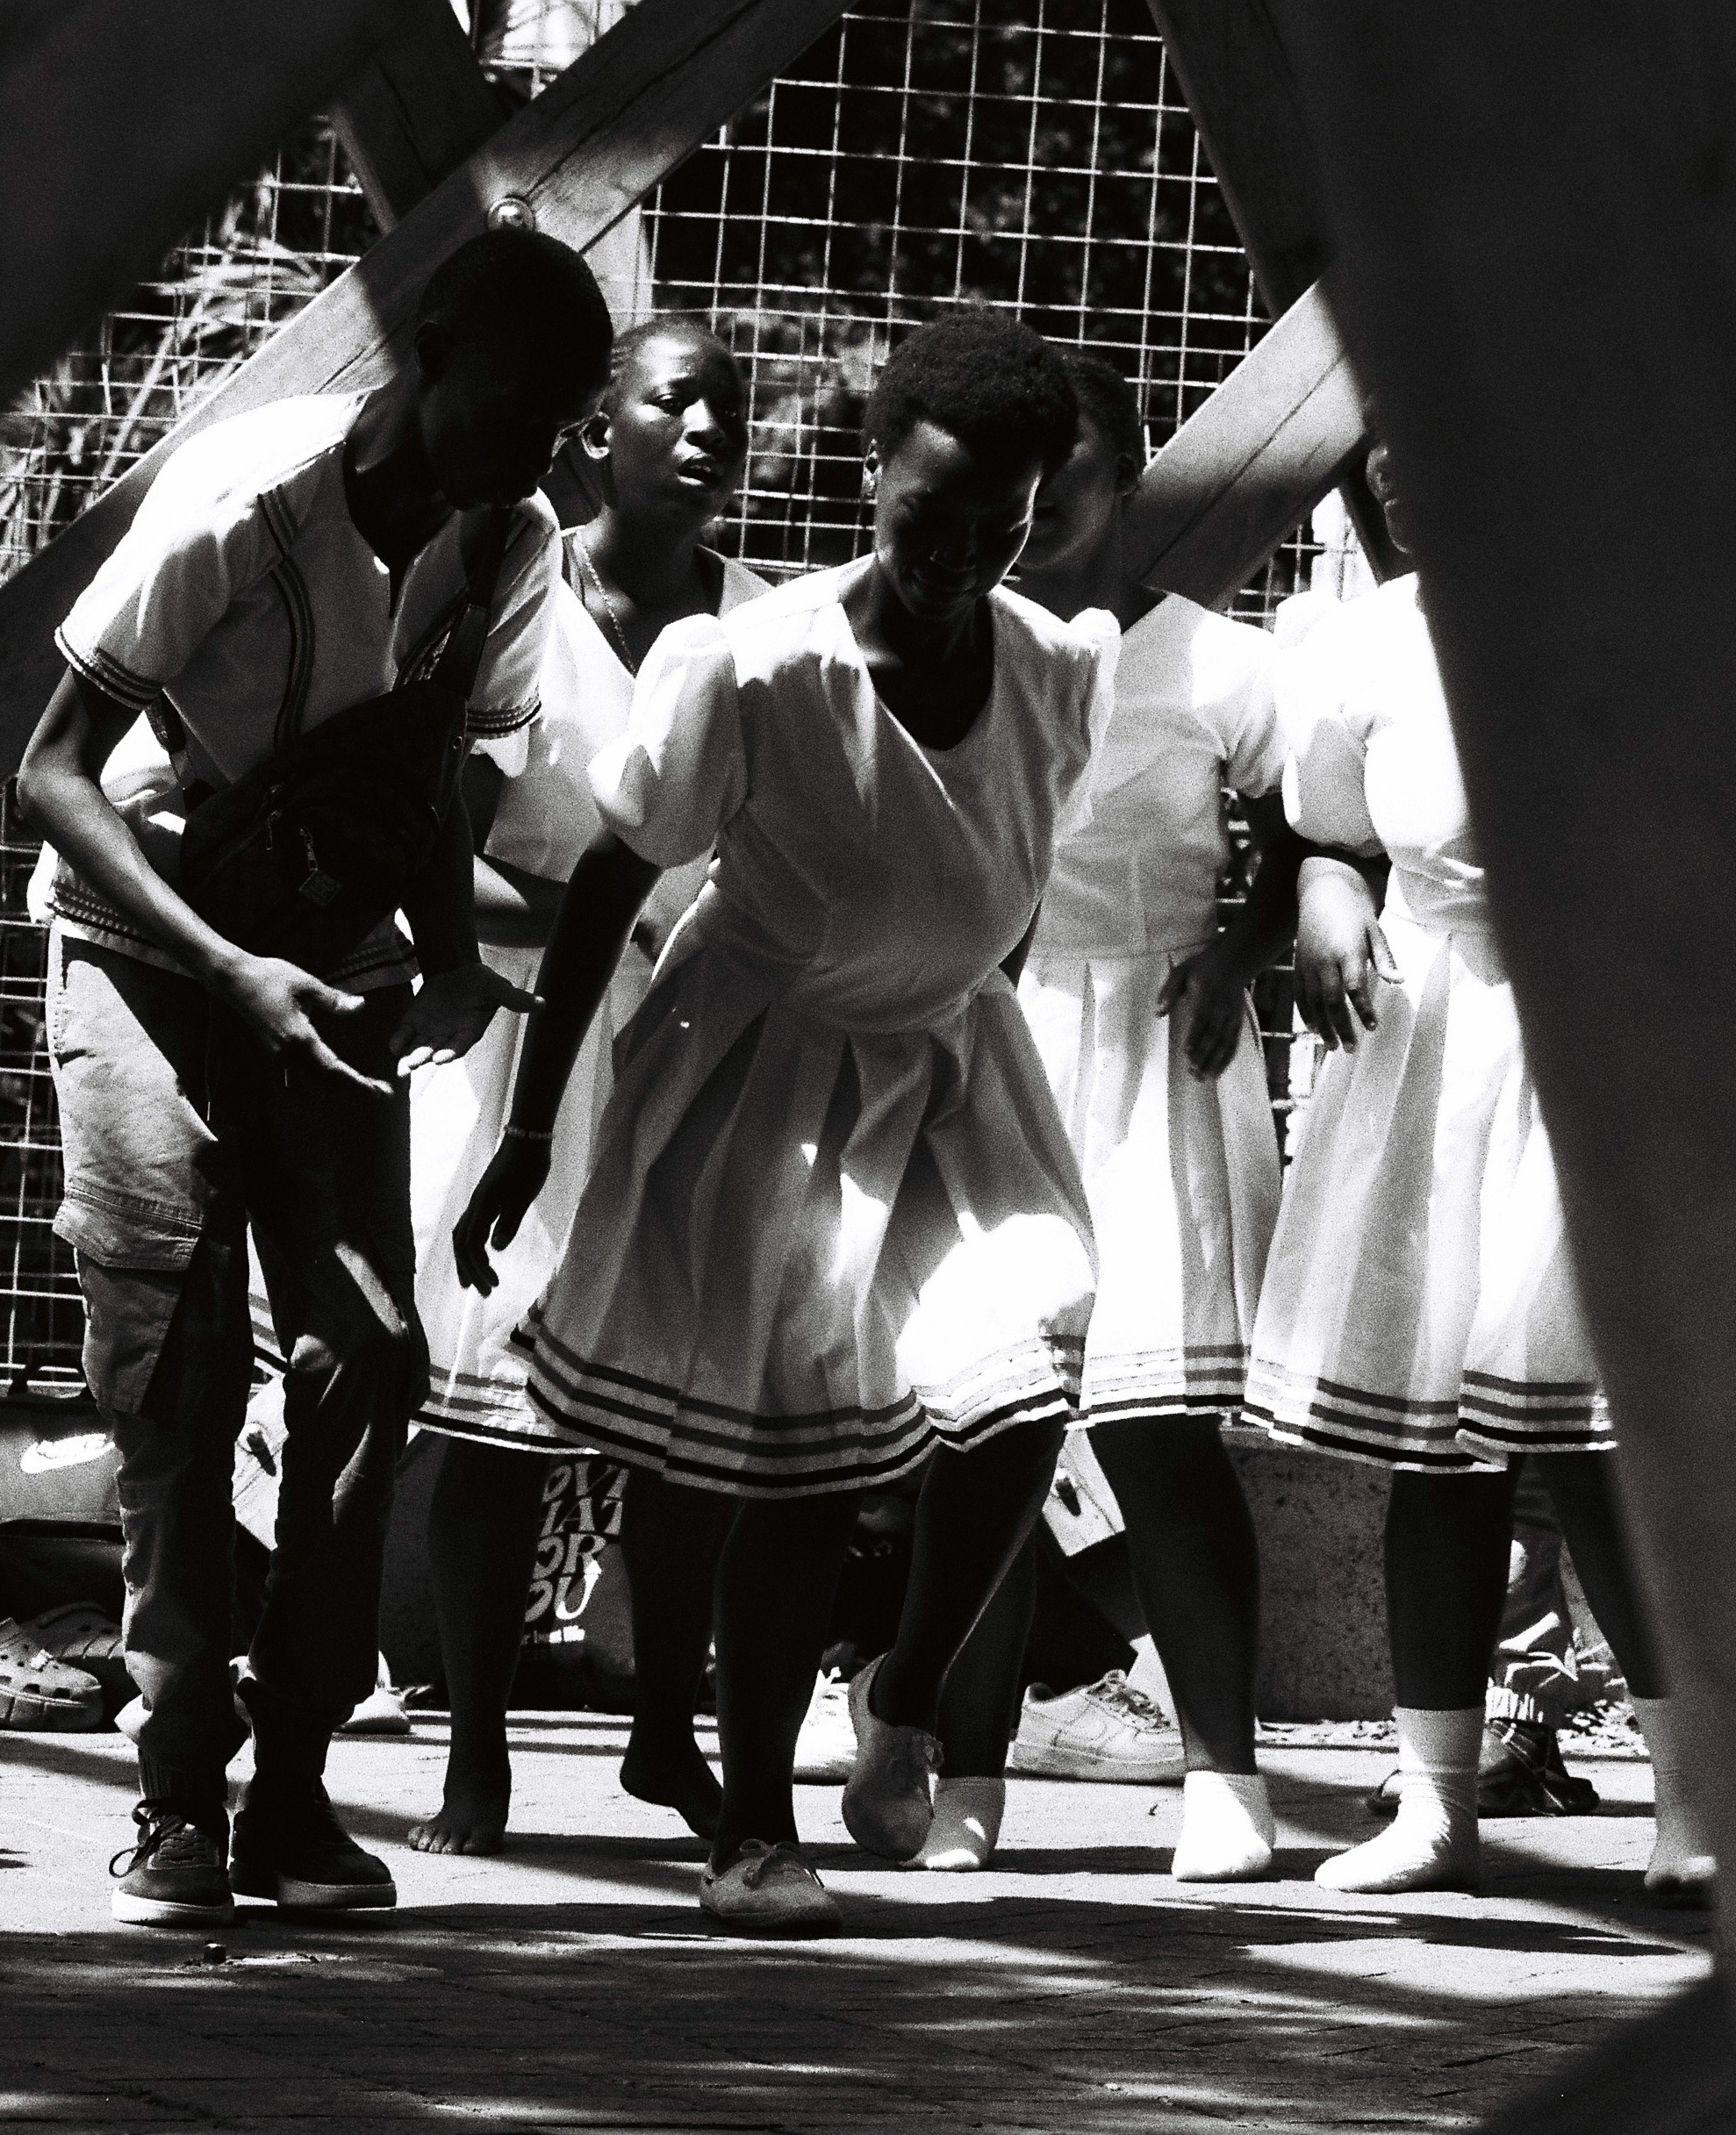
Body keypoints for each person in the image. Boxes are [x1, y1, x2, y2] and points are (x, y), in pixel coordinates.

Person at [456, 309, 1117, 1931]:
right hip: (767, 1071)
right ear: (868, 478)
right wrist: (537, 1124)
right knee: (797, 1452)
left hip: (953, 1065)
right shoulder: (752, 663)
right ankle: (754, 1827)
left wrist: (971, 1001)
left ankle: (898, 1694)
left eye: (998, 526)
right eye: (925, 517)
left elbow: (999, 880)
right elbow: (618, 869)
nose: (958, 555)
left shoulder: (1054, 666)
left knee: (1032, 1363)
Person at [13, 226, 612, 1929]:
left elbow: (437, 777)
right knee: (178, 1362)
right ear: (430, 352)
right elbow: (49, 772)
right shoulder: (246, 494)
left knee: (364, 1356)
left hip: (328, 977)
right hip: (147, 954)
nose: (539, 444)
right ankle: (176, 1787)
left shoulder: (513, 543)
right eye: (518, 398)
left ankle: (293, 1789)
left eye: (568, 418)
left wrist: (439, 947)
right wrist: (221, 968)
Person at [1250, 438, 1712, 1903]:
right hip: (1434, 1055)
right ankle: (1434, 1803)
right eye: (1377, 443)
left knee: (1595, 1446)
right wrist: (1326, 908)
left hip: (1600, 1042)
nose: (1405, 465)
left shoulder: (1634, 614)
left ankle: (1695, 1803)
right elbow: (1324, 831)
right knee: (1434, 1447)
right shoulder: (1358, 644)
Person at [886, 352, 1301, 1881]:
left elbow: (1328, 829)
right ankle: (966, 1778)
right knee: (987, 1420)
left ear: (1132, 479)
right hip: (992, 1049)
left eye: (1077, 476)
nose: (1045, 509)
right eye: (1019, 484)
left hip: (1152, 1055)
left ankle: (1225, 1777)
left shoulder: (1220, 664)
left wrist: (1245, 946)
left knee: (1151, 1426)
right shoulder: (952, 649)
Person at [400, 318, 768, 1858]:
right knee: (494, 1395)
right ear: (590, 428)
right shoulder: (515, 600)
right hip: (514, 1034)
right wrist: (579, 926)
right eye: (670, 398)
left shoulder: (764, 626)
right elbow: (438, 840)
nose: (704, 426)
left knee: (686, 1398)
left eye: (725, 407)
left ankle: (662, 1726)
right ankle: (473, 1747)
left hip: (695, 1032)